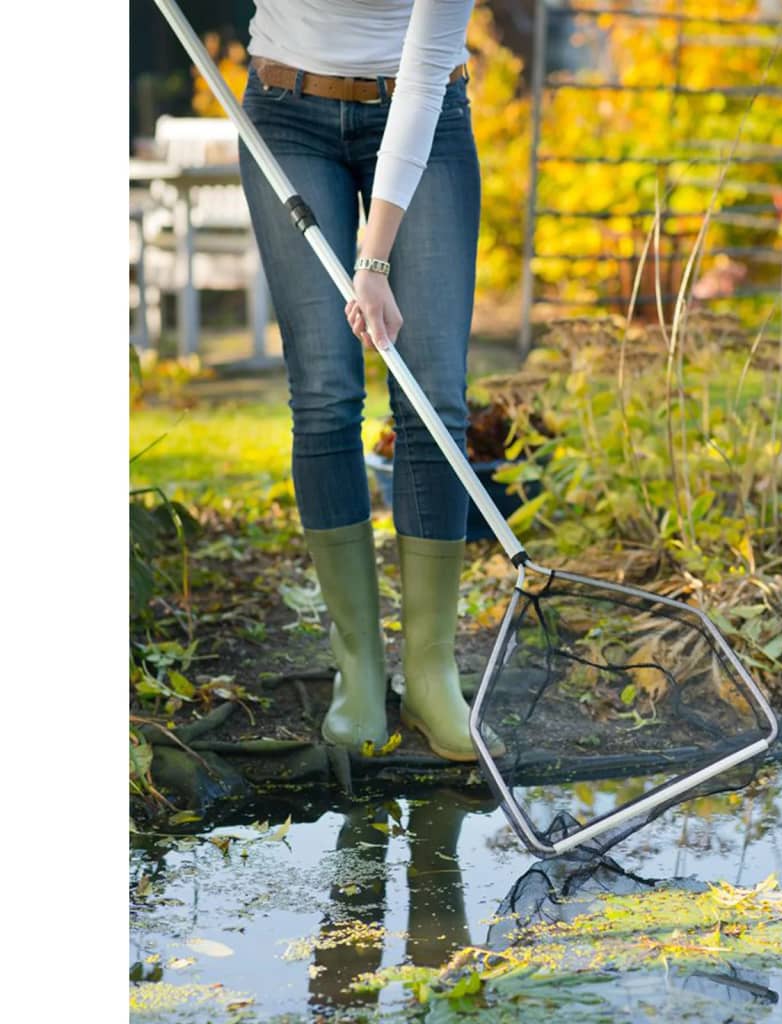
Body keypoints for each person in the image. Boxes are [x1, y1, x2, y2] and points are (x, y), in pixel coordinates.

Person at [238, 1, 502, 762]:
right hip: (287, 117)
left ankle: (430, 671)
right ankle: (359, 667)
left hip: (424, 113)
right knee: (324, 395)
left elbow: (420, 85)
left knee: (434, 399)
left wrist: (374, 260)